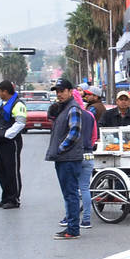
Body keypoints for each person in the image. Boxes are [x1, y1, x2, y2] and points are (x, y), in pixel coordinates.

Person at [44, 78, 86, 240]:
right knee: (68, 194)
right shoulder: (64, 108)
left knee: (70, 194)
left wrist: (60, 149)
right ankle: (71, 226)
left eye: (62, 91)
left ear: (70, 91)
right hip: (63, 158)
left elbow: (74, 132)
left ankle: (73, 229)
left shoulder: (73, 108)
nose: (59, 94)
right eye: (57, 91)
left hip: (68, 158)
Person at [0, 80, 27, 209]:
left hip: (11, 142)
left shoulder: (18, 104)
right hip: (1, 142)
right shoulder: (3, 104)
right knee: (2, 171)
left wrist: (6, 134)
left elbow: (20, 123)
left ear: (5, 91)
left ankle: (14, 199)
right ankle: (5, 197)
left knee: (12, 171)